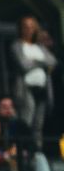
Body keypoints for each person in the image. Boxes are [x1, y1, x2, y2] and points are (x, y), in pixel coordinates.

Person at [10, 15, 55, 143]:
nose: (29, 30)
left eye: (31, 27)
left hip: (42, 88)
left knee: (38, 124)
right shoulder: (17, 45)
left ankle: (37, 150)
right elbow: (24, 64)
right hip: (26, 89)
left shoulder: (40, 46)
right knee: (26, 122)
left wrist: (35, 61)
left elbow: (52, 61)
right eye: (25, 27)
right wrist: (42, 62)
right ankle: (24, 150)